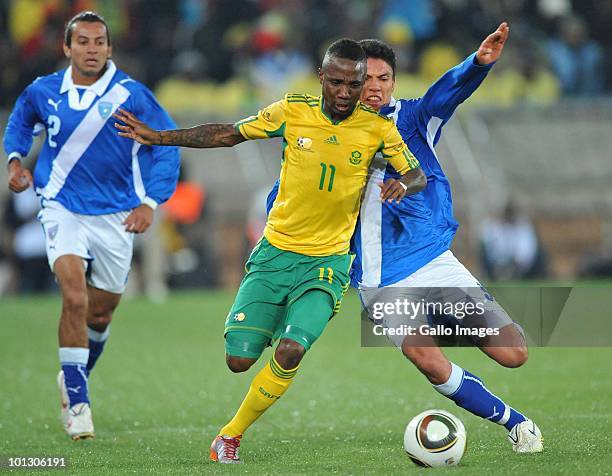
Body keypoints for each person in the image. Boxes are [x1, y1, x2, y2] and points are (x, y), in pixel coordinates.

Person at [114, 38, 426, 463]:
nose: (344, 93)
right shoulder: (292, 110)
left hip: (328, 263)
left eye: (353, 85)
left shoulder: (378, 129)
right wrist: (160, 137)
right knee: (238, 360)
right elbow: (227, 134)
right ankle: (275, 319)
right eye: (335, 82)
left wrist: (402, 183)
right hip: (275, 255)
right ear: (321, 77)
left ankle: (230, 436)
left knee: (292, 349)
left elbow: (415, 173)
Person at [354, 24, 543, 453]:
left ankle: (442, 315)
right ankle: (517, 425)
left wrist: (476, 64)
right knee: (428, 359)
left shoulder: (415, 118)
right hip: (379, 277)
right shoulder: (331, 136)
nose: (375, 88)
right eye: (366, 79)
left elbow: (446, 93)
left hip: (433, 261)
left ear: (394, 82)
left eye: (383, 79)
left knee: (513, 353)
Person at [4, 11, 180, 440]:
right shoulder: (42, 91)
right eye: (82, 42)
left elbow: (167, 145)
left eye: (99, 42)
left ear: (109, 48)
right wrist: (14, 160)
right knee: (75, 296)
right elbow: (19, 123)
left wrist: (150, 202)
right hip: (61, 207)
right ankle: (79, 402)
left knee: (101, 314)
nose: (91, 49)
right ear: (67, 47)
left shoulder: (132, 95)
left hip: (117, 215)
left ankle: (72, 375)